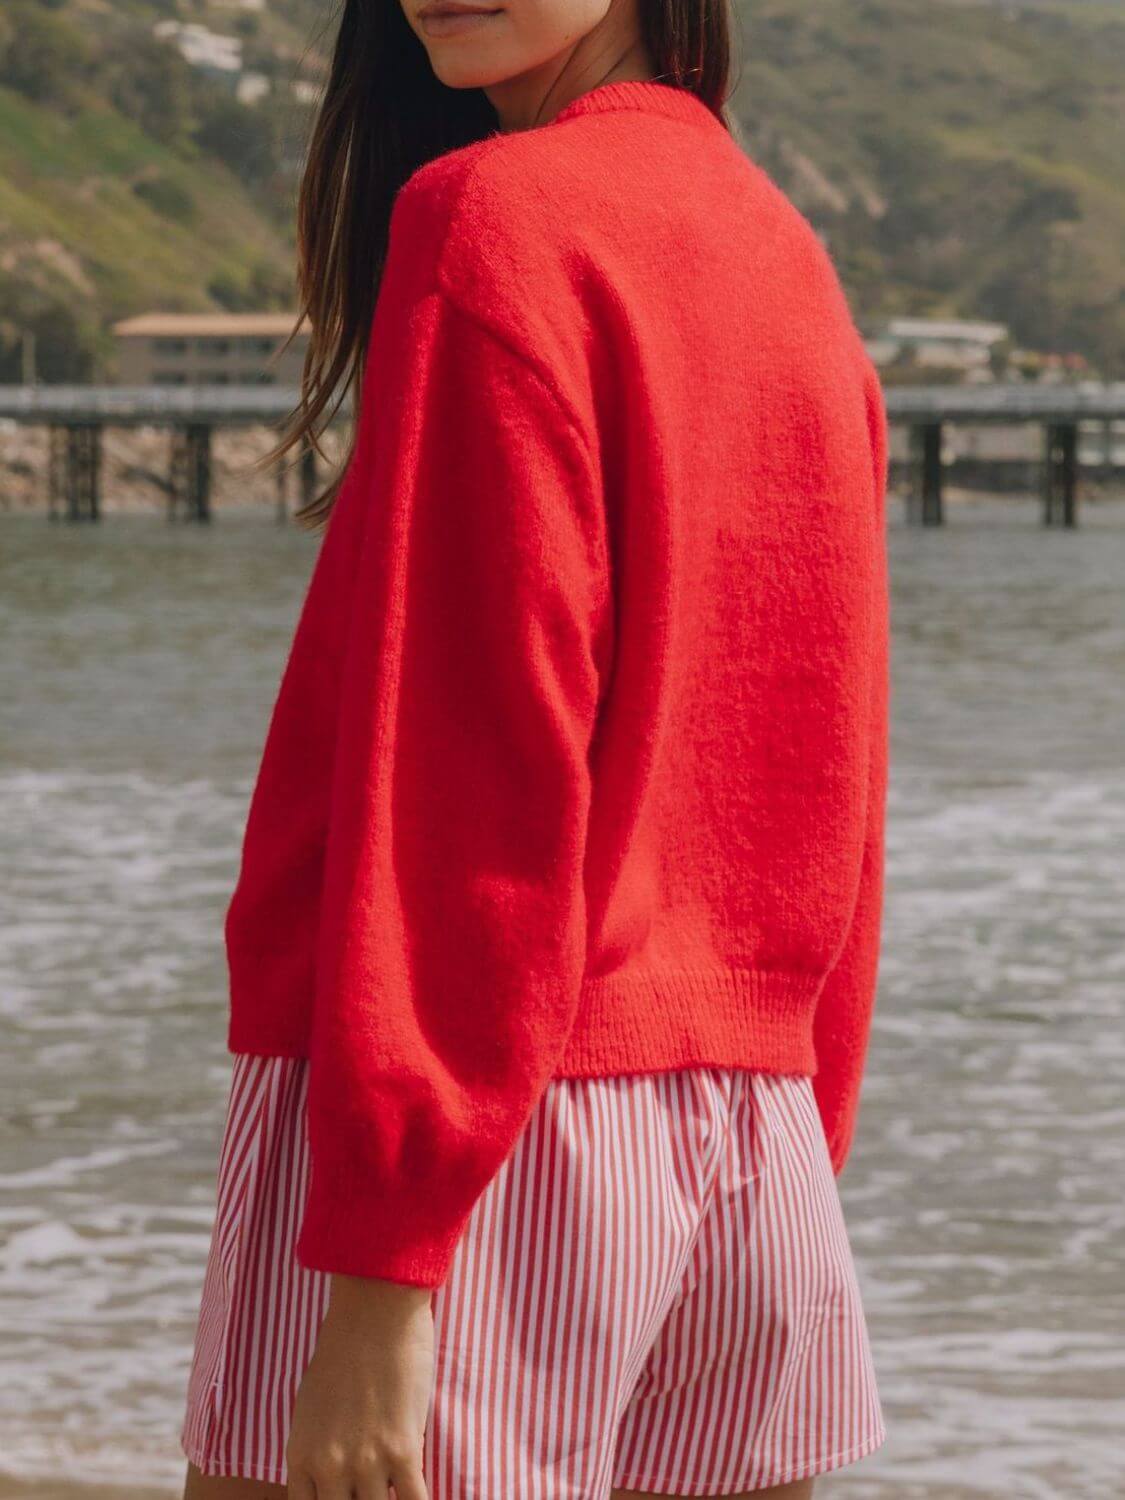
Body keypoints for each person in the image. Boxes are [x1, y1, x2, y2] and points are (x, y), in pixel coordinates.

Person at [179, 0, 892, 1492]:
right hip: (746, 1154)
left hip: (492, 1159)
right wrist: (799, 1145)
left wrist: (382, 1264)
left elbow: (467, 763)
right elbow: (824, 769)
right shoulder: (781, 249)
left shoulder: (493, 216)